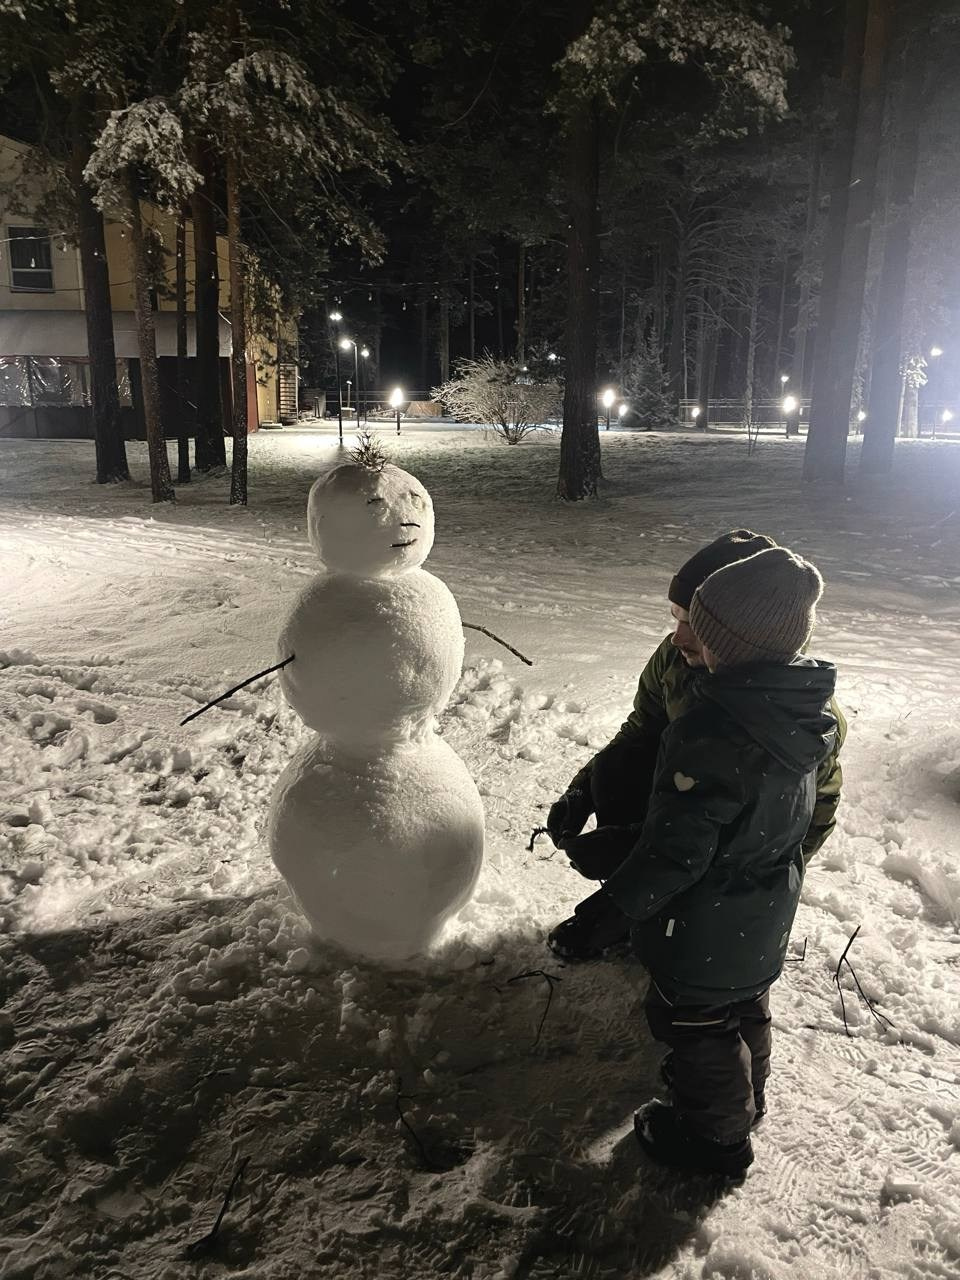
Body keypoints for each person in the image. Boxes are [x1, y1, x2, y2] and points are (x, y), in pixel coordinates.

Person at [559, 547, 839, 1177]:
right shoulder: (798, 717)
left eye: (698, 627)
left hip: (704, 920)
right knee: (748, 1005)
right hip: (765, 907)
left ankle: (715, 1139)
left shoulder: (711, 730)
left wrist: (609, 909)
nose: (683, 636)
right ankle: (746, 1100)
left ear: (727, 644)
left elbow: (676, 854)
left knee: (695, 1022)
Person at [545, 529, 845, 960]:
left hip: (741, 854)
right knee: (618, 769)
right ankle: (638, 906)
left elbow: (808, 815)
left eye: (692, 623)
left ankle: (664, 914)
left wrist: (753, 886)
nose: (677, 636)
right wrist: (584, 789)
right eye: (676, 616)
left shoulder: (796, 715)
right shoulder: (675, 659)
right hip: (691, 808)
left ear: (736, 631)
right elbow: (641, 730)